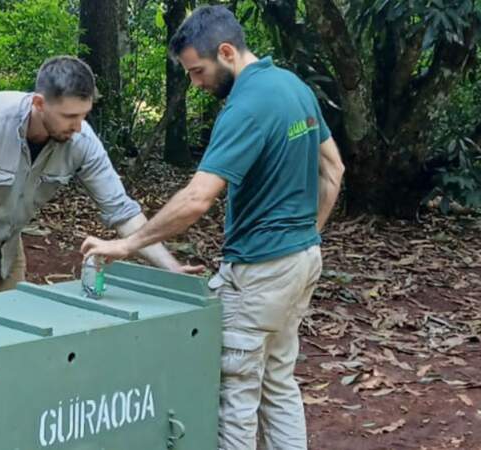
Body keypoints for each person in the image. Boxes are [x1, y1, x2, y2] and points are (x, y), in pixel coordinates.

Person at [81, 6, 345, 450]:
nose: (196, 83)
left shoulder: (246, 106)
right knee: (279, 382)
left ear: (226, 52)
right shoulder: (293, 86)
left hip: (259, 270)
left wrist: (128, 243)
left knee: (234, 394)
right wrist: (305, 236)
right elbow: (333, 169)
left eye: (198, 70)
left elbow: (197, 198)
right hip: (303, 262)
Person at [0, 55, 201, 301]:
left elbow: (122, 211)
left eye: (84, 116)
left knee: (6, 338)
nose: (79, 127)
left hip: (6, 247)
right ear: (39, 104)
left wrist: (171, 267)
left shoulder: (82, 141)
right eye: (70, 117)